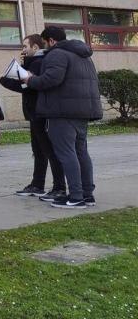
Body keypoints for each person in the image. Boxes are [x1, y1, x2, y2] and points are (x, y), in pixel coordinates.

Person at [24, 26, 101, 209]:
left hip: (62, 112)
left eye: (44, 43)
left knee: (66, 153)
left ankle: (76, 197)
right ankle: (87, 194)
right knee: (81, 152)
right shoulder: (83, 55)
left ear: (51, 41)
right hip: (83, 111)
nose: (44, 47)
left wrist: (29, 79)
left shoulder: (57, 54)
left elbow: (51, 80)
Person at [0, 35, 65, 200]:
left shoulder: (39, 62)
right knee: (39, 151)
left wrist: (1, 79)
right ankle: (37, 184)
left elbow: (25, 86)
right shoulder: (33, 62)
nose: (23, 50)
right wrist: (24, 63)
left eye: (25, 46)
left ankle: (59, 187)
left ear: (35, 47)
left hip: (39, 112)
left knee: (49, 151)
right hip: (34, 113)